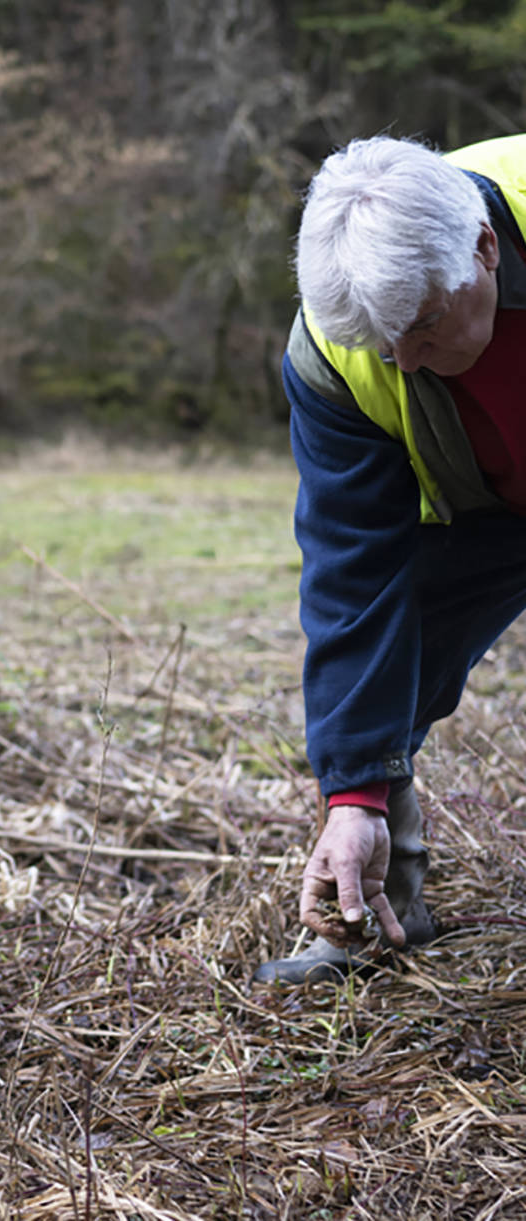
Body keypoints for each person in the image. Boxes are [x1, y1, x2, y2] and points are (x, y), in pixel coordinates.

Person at [254, 132, 526, 984]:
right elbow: (353, 570)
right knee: (394, 642)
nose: (404, 363)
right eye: (383, 347)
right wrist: (350, 795)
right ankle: (376, 907)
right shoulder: (338, 348)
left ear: (484, 250)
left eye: (420, 329)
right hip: (487, 506)